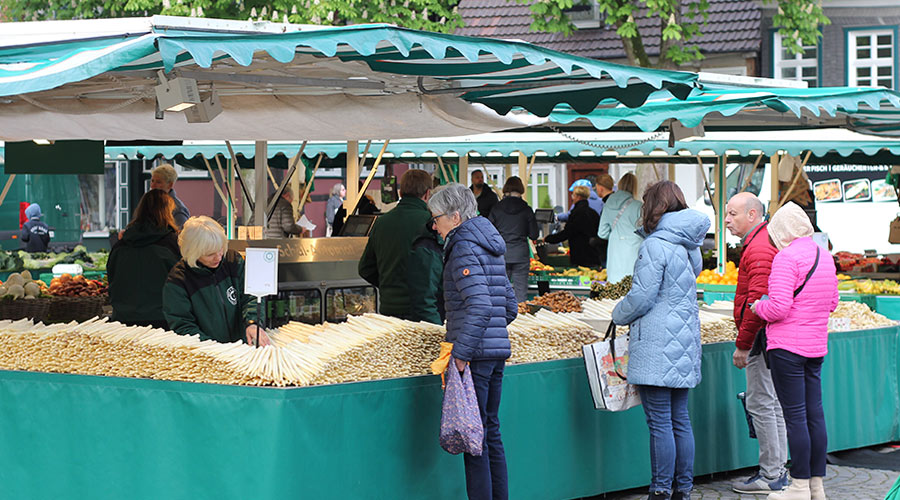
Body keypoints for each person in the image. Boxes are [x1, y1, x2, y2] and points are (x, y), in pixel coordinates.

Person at [611, 181, 709, 500]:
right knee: (680, 419)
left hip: (656, 343)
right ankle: (683, 488)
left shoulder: (655, 245)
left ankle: (661, 490)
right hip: (683, 341)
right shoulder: (689, 245)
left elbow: (641, 297)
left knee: (659, 423)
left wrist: (617, 314)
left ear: (654, 207)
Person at [427, 183, 517, 500]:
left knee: (473, 439)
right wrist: (489, 333)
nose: (434, 226)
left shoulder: (463, 247)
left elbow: (480, 305)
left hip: (475, 356)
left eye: (436, 219)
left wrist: (462, 353)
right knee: (490, 431)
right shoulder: (489, 243)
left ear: (454, 216)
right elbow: (509, 307)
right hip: (494, 352)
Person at [750, 202, 839, 500]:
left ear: (781, 231)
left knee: (795, 417)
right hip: (815, 347)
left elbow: (777, 308)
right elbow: (832, 303)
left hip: (787, 348)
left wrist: (756, 306)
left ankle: (799, 486)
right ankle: (817, 486)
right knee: (815, 414)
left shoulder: (786, 258)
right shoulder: (825, 256)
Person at [725, 192, 790, 495]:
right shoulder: (760, 242)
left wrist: (743, 344)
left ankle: (771, 473)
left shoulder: (760, 248)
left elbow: (757, 304)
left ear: (752, 215)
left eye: (732, 214)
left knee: (762, 403)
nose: (726, 220)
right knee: (770, 403)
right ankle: (777, 470)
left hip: (762, 340)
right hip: (769, 339)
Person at [163, 216, 268, 346]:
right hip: (208, 357)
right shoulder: (179, 280)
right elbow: (183, 325)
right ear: (192, 253)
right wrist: (214, 349)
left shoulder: (233, 260)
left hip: (244, 350)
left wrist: (252, 323)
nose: (218, 257)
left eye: (220, 249)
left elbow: (252, 294)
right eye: (210, 254)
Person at [359, 169, 436, 320]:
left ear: (400, 193)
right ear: (427, 194)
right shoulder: (431, 223)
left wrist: (388, 285)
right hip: (422, 309)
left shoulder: (381, 222)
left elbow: (365, 268)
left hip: (389, 308)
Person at [108, 190, 181, 329]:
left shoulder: (120, 245)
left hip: (123, 321)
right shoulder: (173, 244)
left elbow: (111, 280)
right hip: (163, 321)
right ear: (167, 212)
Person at [488, 176, 538, 302]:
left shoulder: (497, 209)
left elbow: (488, 231)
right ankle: (521, 318)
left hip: (501, 254)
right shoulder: (526, 210)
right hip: (521, 255)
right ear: (521, 189)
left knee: (499, 292)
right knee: (520, 294)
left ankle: (501, 319)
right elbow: (534, 234)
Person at [597, 173, 643, 284]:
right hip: (634, 252)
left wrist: (616, 235)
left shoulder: (608, 204)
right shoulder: (638, 206)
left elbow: (602, 233)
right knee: (632, 287)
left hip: (614, 251)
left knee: (615, 289)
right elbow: (644, 230)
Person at [543, 185, 600, 267]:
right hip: (594, 253)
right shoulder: (593, 213)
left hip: (580, 255)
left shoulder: (576, 213)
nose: (572, 198)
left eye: (573, 195)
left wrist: (549, 239)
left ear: (578, 197)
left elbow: (567, 232)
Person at [408, 221, 445, 325]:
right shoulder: (427, 248)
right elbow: (424, 301)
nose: (434, 226)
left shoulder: (462, 243)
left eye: (437, 219)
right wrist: (437, 332)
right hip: (442, 324)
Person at [150, 164, 190, 229]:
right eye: (152, 181)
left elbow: (181, 234)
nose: (152, 185)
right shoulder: (151, 203)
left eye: (158, 182)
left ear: (170, 185)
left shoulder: (178, 209)